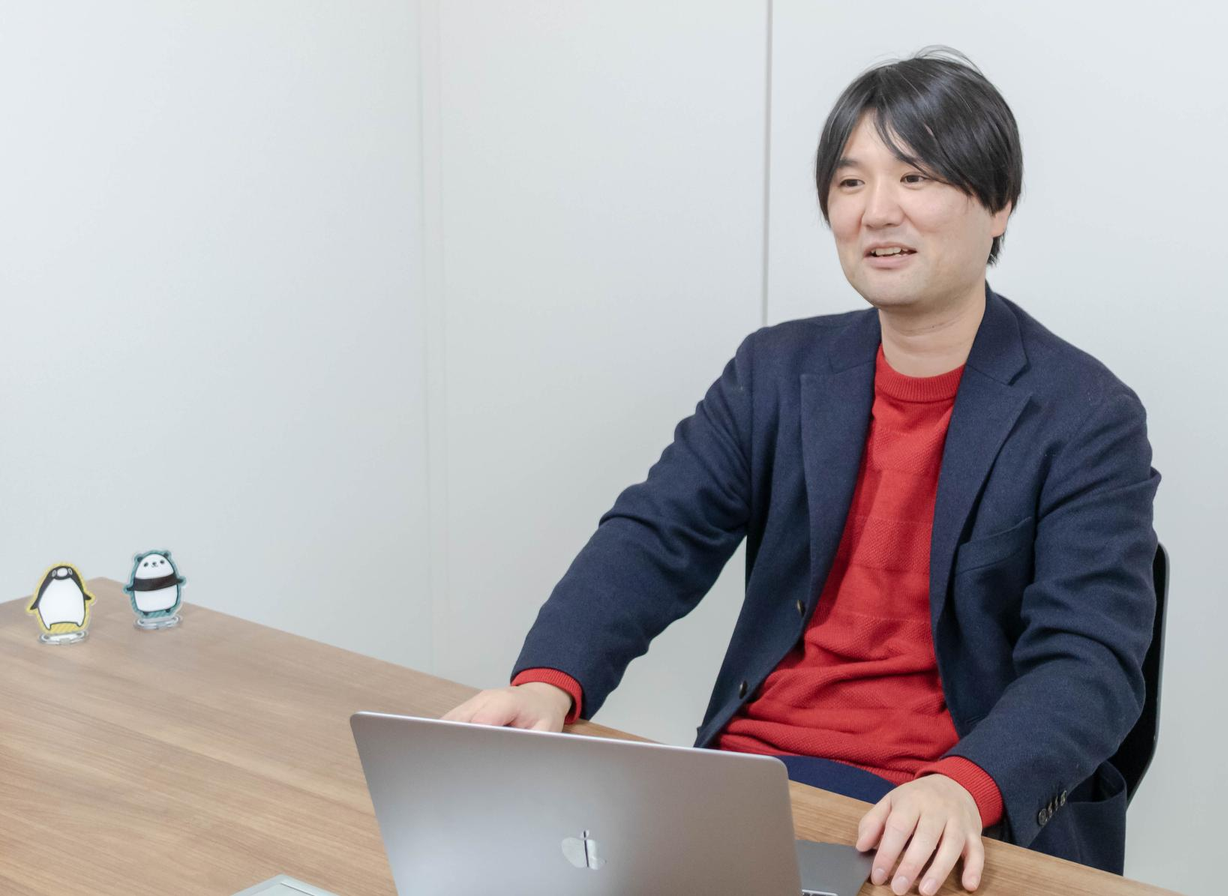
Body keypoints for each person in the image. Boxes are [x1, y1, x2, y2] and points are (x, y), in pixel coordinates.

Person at [444, 46, 1160, 894]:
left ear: (999, 204)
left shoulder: (1085, 414)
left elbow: (1090, 661)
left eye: (917, 177)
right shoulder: (777, 371)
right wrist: (547, 684)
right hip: (756, 782)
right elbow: (655, 535)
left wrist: (964, 785)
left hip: (940, 810)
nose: (877, 212)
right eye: (851, 182)